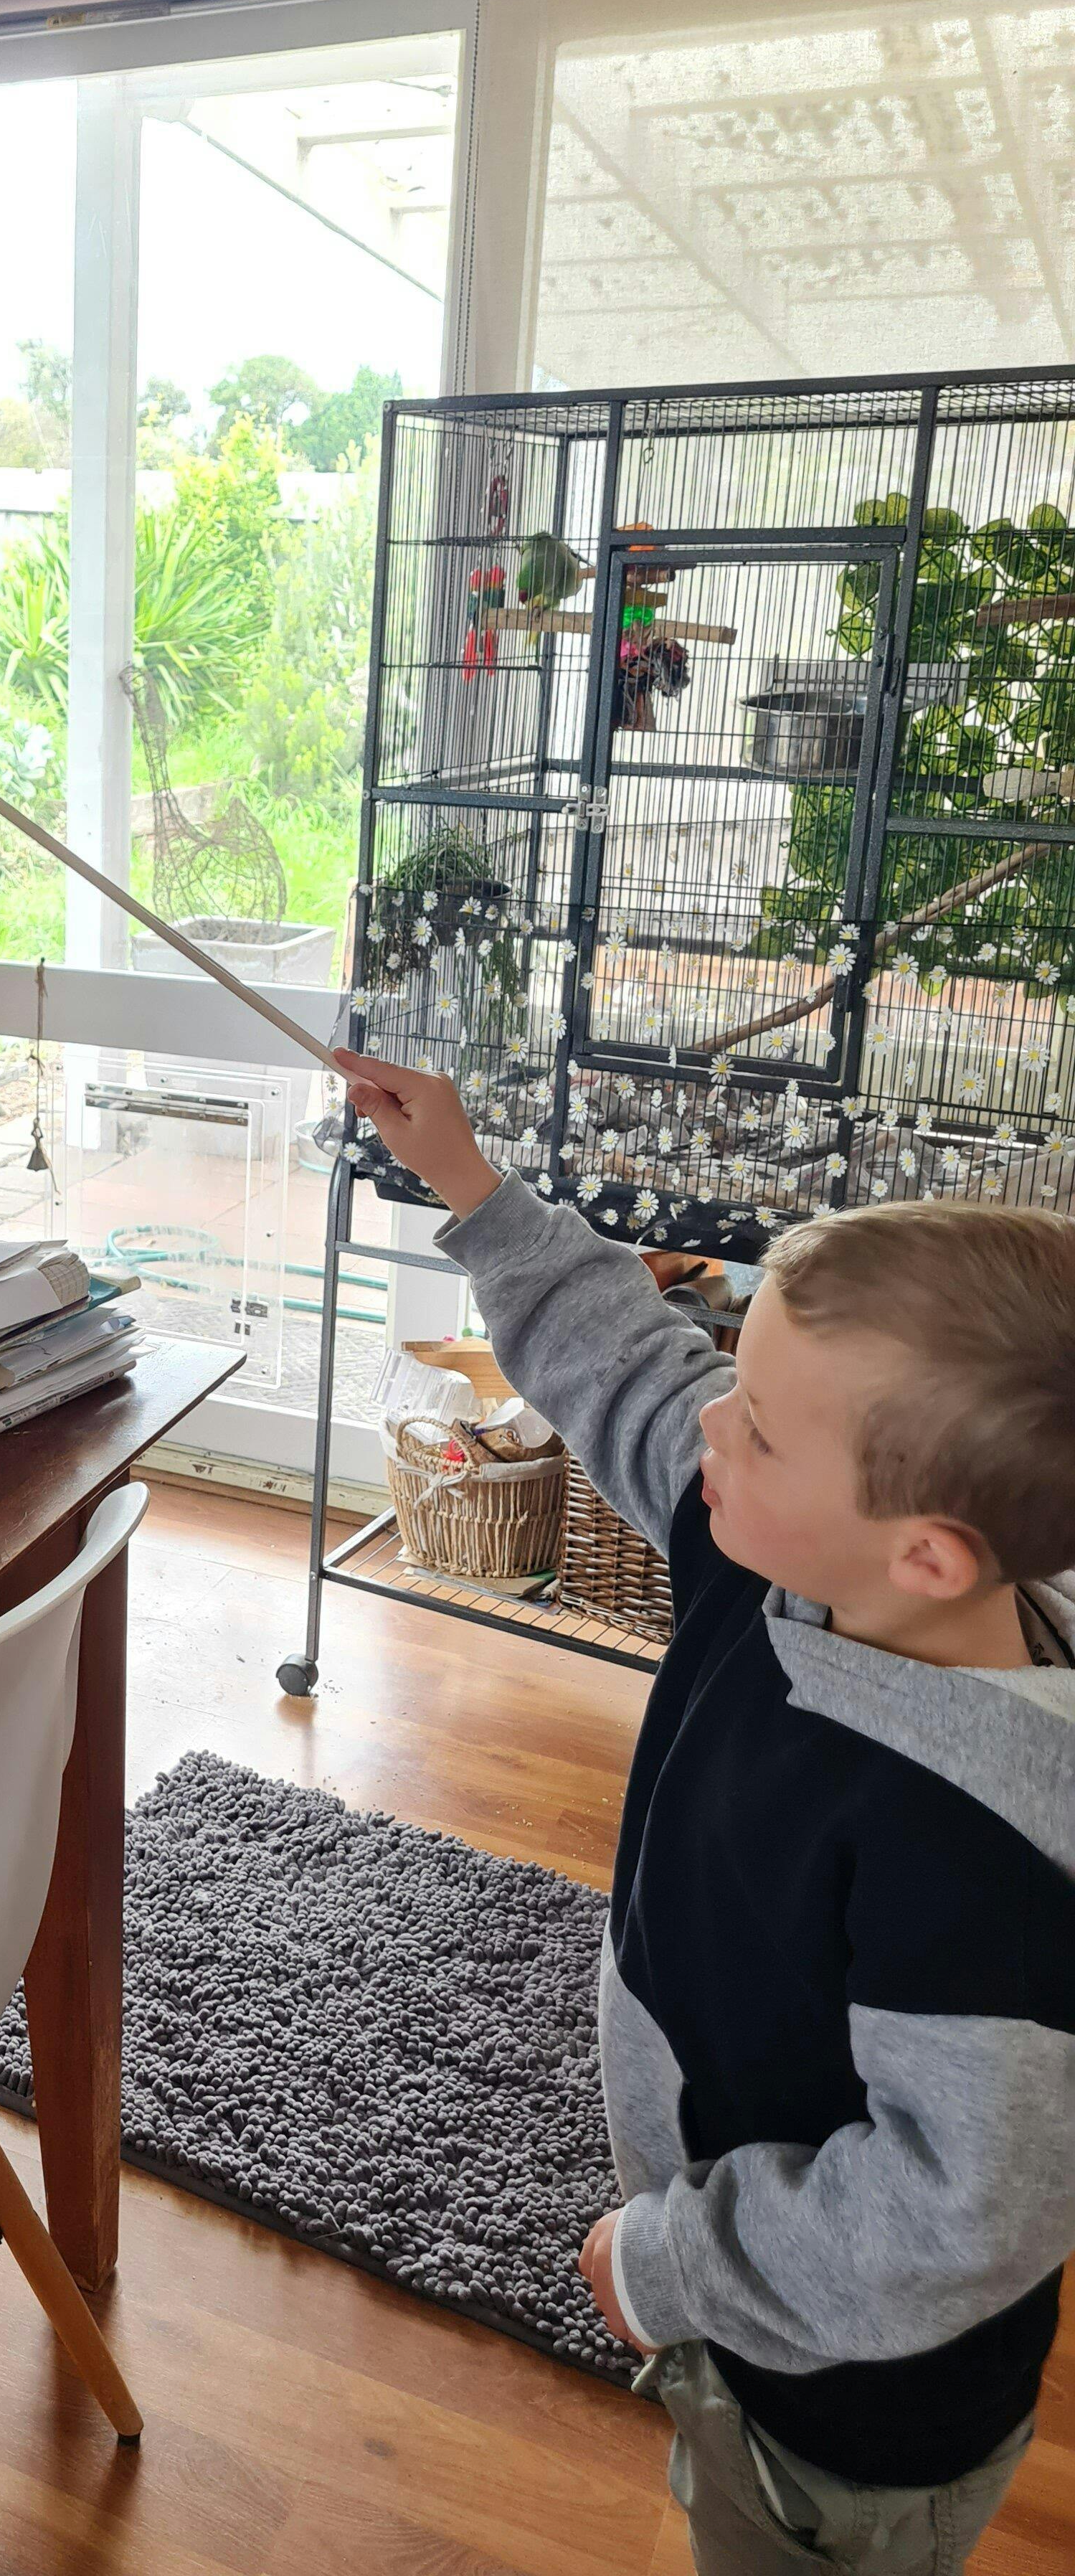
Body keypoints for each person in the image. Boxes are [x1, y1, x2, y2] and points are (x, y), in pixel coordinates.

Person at [336, 1052, 1075, 2576]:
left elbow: (952, 2215)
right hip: (747, 2329)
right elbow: (634, 1366)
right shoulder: (792, 1547)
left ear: (929, 1556)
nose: (712, 1423)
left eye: (762, 1423)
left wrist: (676, 2263)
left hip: (845, 2424)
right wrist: (468, 1184)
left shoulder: (990, 1860)